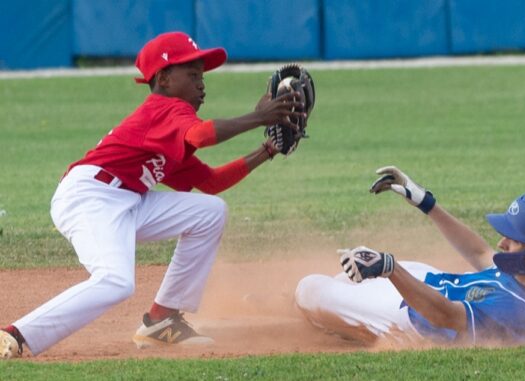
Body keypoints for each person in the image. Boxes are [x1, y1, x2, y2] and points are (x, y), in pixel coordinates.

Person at [0, 31, 306, 359]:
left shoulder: (173, 129)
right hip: (90, 197)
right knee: (116, 281)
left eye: (202, 76)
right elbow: (203, 135)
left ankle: (162, 321)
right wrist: (259, 116)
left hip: (127, 200)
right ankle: (15, 334)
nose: (202, 84)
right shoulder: (163, 110)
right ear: (163, 78)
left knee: (210, 211)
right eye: (192, 75)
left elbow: (211, 182)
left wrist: (268, 149)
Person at [295, 166, 525, 346]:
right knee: (345, 275)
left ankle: (344, 325)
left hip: (411, 316)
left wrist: (389, 268)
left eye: (514, 240)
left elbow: (443, 314)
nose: (502, 242)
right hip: (433, 285)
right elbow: (480, 252)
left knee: (309, 289)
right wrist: (425, 202)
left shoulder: (516, 313)